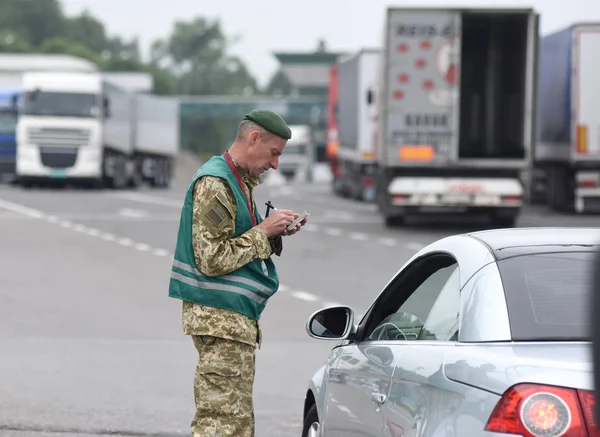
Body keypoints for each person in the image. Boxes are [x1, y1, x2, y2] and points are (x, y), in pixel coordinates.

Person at [168, 109, 308, 437]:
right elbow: (212, 258)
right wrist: (264, 231)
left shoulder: (238, 180)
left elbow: (236, 240)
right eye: (274, 153)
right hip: (220, 319)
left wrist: (274, 231)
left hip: (231, 320)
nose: (275, 164)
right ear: (254, 138)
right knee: (221, 424)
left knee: (236, 422)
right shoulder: (217, 183)